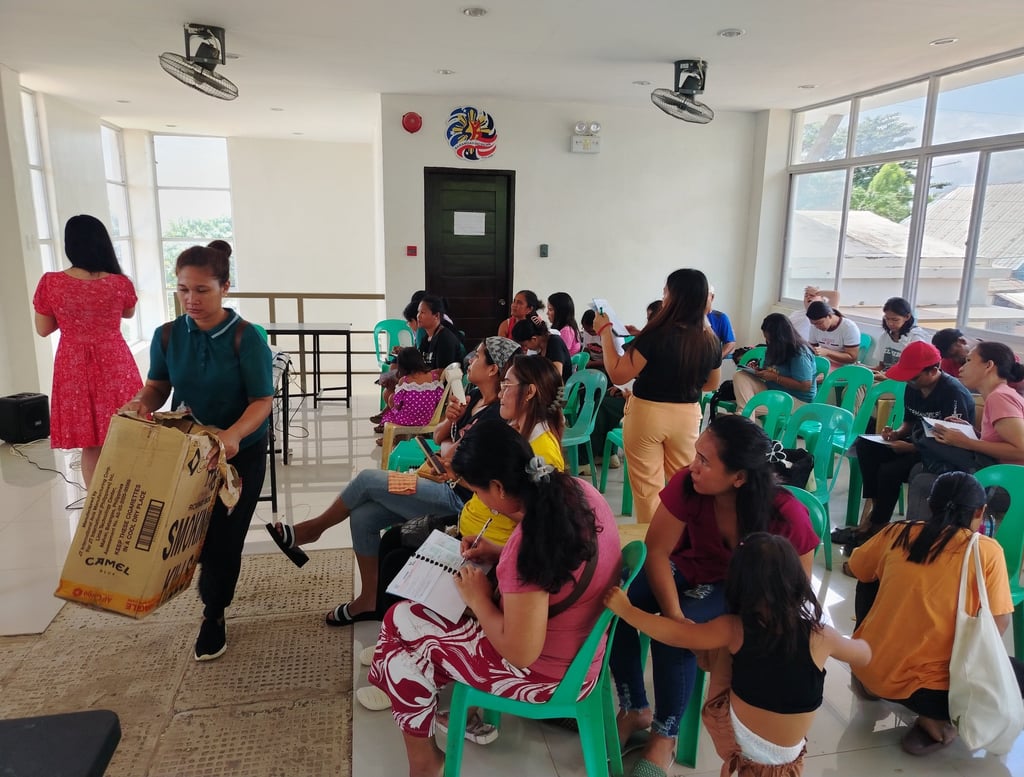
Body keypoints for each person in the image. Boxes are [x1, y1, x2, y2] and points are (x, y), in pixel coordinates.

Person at [365, 420, 622, 777]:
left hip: (547, 676)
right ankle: (420, 709)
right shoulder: (577, 492)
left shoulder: (529, 545)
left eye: (477, 492)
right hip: (582, 650)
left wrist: (480, 598)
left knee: (399, 631)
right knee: (405, 630)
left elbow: (520, 652)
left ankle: (425, 760)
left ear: (498, 487)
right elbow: (559, 564)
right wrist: (499, 555)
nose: (480, 501)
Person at [609, 415, 820, 775]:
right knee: (617, 602)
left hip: (740, 592)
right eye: (696, 454)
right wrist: (674, 615)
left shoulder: (786, 516)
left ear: (739, 477)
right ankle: (633, 707)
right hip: (688, 565)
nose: (693, 466)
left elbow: (794, 594)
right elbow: (657, 551)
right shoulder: (688, 484)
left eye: (705, 461)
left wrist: (693, 628)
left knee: (676, 639)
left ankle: (665, 734)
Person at [269, 337, 520, 625]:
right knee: (363, 516)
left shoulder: (496, 416)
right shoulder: (473, 398)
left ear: (493, 370)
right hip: (438, 480)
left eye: (478, 356)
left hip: (456, 496)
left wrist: (450, 451)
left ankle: (312, 530)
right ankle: (369, 600)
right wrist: (451, 419)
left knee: (367, 479)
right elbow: (439, 438)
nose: (471, 360)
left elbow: (460, 461)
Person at [605, 533, 870, 777]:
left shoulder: (734, 628)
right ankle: (703, 643)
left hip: (733, 740)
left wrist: (628, 611)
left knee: (713, 643)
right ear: (797, 580)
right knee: (724, 645)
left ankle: (703, 646)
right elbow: (864, 655)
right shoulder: (822, 636)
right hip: (788, 760)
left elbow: (674, 635)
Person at [123, 245, 273, 661]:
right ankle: (204, 586)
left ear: (225, 287)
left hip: (240, 451)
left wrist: (234, 435)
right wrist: (142, 402)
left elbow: (262, 400)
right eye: (183, 289)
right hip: (190, 449)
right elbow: (158, 385)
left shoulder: (246, 338)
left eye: (202, 290)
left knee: (226, 535)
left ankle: (214, 613)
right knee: (191, 528)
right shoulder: (168, 335)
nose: (191, 299)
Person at [848, 472, 1023, 756]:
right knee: (1015, 674)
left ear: (931, 505)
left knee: (868, 577)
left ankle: (872, 675)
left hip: (868, 668)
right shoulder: (986, 551)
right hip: (931, 695)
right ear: (980, 512)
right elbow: (999, 623)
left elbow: (857, 567)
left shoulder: (898, 532)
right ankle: (936, 721)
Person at [594, 269, 722, 523]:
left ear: (674, 297)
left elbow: (618, 373)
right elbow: (711, 384)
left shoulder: (656, 334)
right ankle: (684, 539)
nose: (663, 298)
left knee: (648, 490)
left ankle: (652, 541)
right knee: (684, 484)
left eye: (665, 292)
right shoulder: (710, 340)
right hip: (687, 416)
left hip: (648, 414)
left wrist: (606, 331)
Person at [32, 215, 143, 488]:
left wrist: (71, 316)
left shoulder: (52, 283)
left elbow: (43, 329)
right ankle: (129, 497)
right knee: (125, 431)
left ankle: (96, 504)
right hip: (114, 361)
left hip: (73, 365)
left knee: (90, 443)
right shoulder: (119, 283)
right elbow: (128, 312)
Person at [834, 341, 975, 550]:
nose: (909, 381)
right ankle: (874, 514)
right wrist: (896, 433)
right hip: (917, 442)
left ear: (933, 371)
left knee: (890, 471)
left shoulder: (953, 394)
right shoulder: (914, 387)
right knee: (866, 446)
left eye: (914, 377)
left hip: (941, 454)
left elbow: (952, 442)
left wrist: (910, 448)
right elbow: (909, 421)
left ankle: (877, 525)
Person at [927, 341, 1024, 470]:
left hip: (1010, 478)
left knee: (925, 477)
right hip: (1000, 472)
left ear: (988, 365)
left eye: (968, 360)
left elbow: (1021, 450)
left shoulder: (999, 397)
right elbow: (1002, 441)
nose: (961, 368)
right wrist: (973, 433)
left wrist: (965, 442)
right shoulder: (1001, 394)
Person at [732, 313, 817, 414]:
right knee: (740, 375)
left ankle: (743, 415)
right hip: (772, 391)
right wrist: (760, 372)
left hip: (795, 401)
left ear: (780, 338)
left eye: (770, 339)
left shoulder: (799, 353)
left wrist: (775, 378)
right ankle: (744, 415)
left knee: (750, 407)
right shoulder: (773, 348)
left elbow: (805, 385)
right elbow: (772, 371)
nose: (767, 341)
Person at [372, 347, 443, 437]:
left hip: (406, 420)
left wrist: (394, 407)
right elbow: (439, 399)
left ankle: (395, 437)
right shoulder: (434, 377)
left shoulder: (405, 381)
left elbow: (397, 403)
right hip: (429, 419)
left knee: (391, 405)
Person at [933, 328, 1024, 395]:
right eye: (948, 357)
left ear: (962, 341)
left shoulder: (1000, 355)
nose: (955, 360)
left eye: (955, 355)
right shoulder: (947, 362)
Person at [872, 297, 928, 374]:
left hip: (905, 379)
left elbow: (915, 372)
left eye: (895, 320)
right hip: (887, 376)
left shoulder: (915, 338)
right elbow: (882, 366)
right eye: (887, 319)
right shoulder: (885, 337)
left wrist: (886, 377)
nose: (890, 323)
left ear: (907, 317)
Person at [512, 316, 572, 383]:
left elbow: (557, 376)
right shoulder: (540, 349)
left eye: (525, 345)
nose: (525, 348)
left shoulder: (555, 343)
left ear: (534, 339)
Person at [805, 300, 861, 369]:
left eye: (819, 323)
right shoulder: (814, 326)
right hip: (823, 362)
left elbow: (852, 358)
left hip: (843, 366)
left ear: (829, 316)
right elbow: (812, 347)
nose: (816, 327)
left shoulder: (849, 327)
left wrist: (828, 352)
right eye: (813, 324)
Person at [546, 291, 582, 356]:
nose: (547, 313)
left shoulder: (566, 330)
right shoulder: (564, 328)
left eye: (550, 309)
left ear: (560, 312)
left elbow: (559, 355)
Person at [705, 285, 737, 359]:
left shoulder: (721, 317)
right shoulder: (687, 317)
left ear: (712, 297)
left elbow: (730, 342)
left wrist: (717, 359)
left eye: (705, 295)